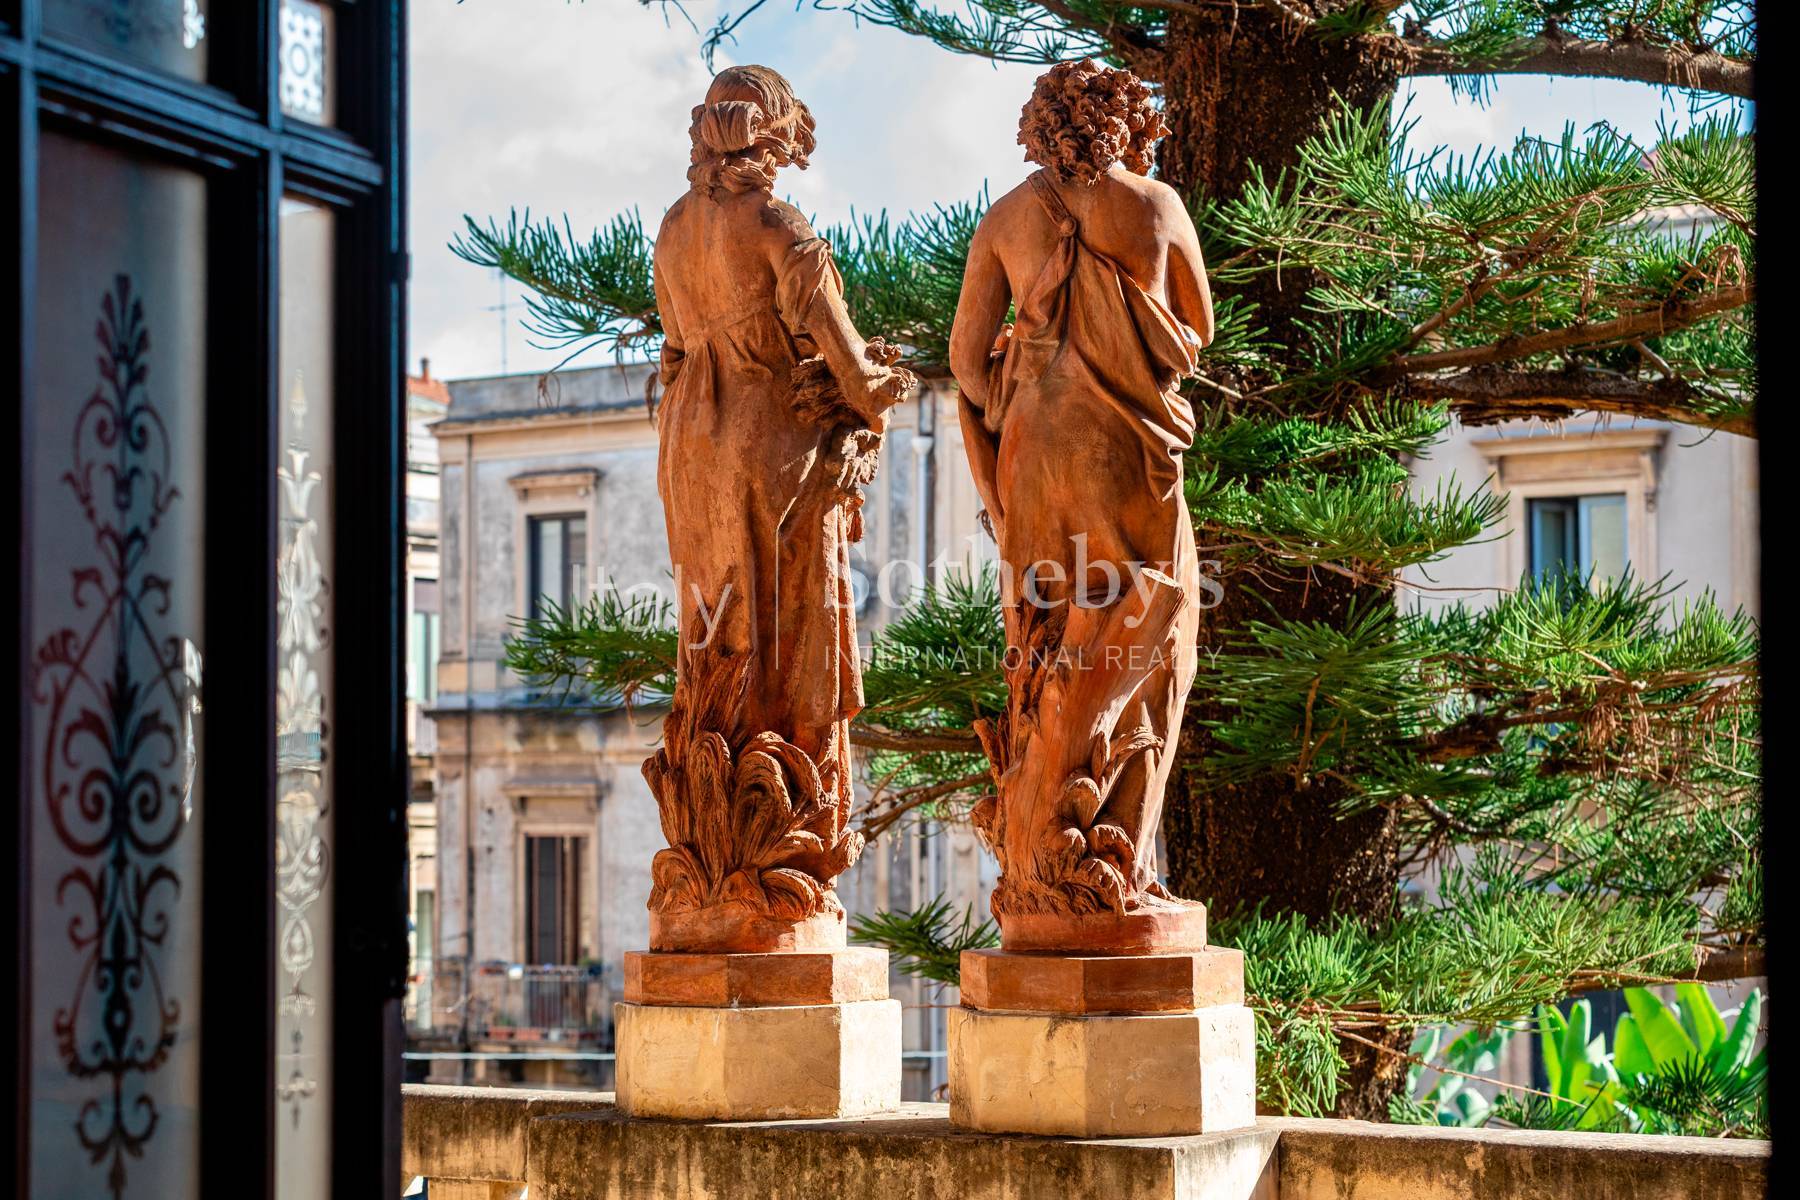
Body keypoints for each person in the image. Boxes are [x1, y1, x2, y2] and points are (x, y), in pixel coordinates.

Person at [646, 65, 914, 949]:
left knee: (714, 633)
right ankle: (776, 860)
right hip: (771, 441)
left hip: (690, 443)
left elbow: (678, 352)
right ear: (776, 136)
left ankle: (716, 863)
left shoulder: (675, 231)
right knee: (788, 630)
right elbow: (848, 363)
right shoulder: (777, 226)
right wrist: (882, 386)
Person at [948, 59, 1215, 941]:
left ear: (1039, 129)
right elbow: (1196, 333)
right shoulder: (1154, 206)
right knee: (1147, 636)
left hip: (1033, 456)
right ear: (1127, 125)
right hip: (1130, 452)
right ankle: (1115, 859)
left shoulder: (1007, 219)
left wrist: (1014, 397)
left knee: (1049, 634)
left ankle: (1043, 855)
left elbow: (961, 356)